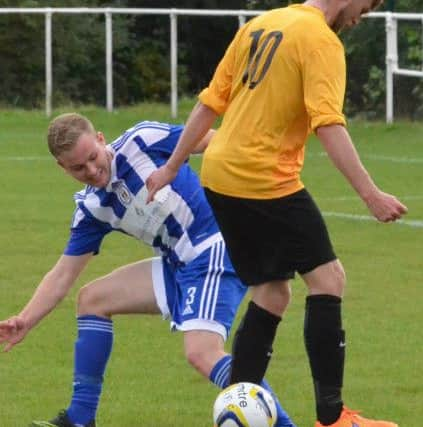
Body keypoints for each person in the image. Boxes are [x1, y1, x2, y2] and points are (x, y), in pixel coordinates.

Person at [146, 1, 408, 427]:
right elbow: (328, 124)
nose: (364, 16)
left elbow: (210, 103)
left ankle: (236, 409)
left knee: (272, 292)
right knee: (328, 279)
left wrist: (173, 166)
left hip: (220, 174)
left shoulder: (260, 23)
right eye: (367, 4)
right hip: (263, 176)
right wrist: (370, 194)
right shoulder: (320, 39)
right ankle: (333, 418)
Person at [0, 113, 296, 427]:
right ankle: (79, 419)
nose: (91, 170)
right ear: (62, 168)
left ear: (101, 139)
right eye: (77, 168)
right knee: (93, 300)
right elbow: (62, 275)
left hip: (214, 247)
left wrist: (259, 182)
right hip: (178, 264)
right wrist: (26, 319)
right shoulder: (92, 208)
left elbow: (215, 142)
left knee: (202, 352)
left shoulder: (142, 140)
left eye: (93, 158)